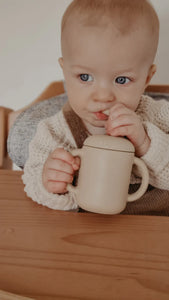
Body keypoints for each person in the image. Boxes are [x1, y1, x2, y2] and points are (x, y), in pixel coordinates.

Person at [22, 0, 169, 213]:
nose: (103, 97)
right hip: (85, 236)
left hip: (155, 235)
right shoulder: (54, 132)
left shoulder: (159, 116)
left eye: (121, 80)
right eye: (85, 76)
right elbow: (32, 180)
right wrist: (50, 183)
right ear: (65, 72)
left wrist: (146, 143)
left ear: (146, 78)